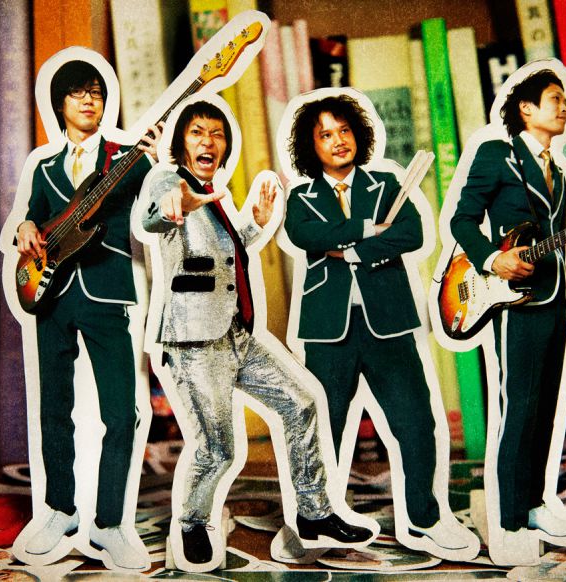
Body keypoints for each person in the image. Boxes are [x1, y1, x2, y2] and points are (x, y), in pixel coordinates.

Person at [140, 98, 374, 571]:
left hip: (238, 334)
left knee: (301, 403)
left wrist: (254, 224)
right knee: (218, 449)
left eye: (217, 134)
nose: (208, 141)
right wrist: (173, 205)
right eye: (197, 132)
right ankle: (192, 522)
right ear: (180, 144)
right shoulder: (168, 179)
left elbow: (219, 257)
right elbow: (154, 215)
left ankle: (313, 512)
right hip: (195, 342)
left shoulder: (213, 194)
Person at [282, 93, 477, 560]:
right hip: (328, 330)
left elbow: (411, 232)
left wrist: (350, 250)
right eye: (325, 134)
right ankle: (313, 521)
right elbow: (304, 235)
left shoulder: (388, 183)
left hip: (388, 323)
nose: (338, 140)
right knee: (321, 428)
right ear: (311, 146)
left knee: (417, 422)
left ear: (359, 134)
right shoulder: (301, 197)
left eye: (344, 130)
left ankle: (426, 519)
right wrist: (370, 229)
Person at [13, 58, 162, 570]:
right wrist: (25, 228)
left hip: (105, 291)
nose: (89, 100)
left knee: (121, 412)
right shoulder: (44, 167)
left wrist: (161, 166)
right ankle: (59, 510)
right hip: (50, 294)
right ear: (60, 105)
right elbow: (34, 217)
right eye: (78, 93)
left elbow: (158, 204)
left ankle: (110, 523)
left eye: (96, 92)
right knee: (54, 408)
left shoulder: (127, 159)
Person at [449, 68, 566, 562]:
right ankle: (507, 523)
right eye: (554, 98)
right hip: (514, 299)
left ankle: (533, 505)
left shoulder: (561, 172)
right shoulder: (496, 153)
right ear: (526, 108)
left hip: (554, 298)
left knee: (546, 407)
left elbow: (556, 239)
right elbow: (462, 219)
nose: (564, 106)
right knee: (520, 408)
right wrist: (492, 259)